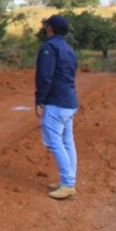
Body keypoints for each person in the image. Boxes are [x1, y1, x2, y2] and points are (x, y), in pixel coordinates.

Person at [36, 14, 79, 200]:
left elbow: (45, 76)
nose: (45, 29)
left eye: (47, 26)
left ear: (51, 28)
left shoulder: (50, 47)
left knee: (54, 141)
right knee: (67, 141)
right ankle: (68, 180)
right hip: (70, 101)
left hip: (56, 102)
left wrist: (40, 100)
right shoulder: (69, 49)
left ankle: (68, 183)